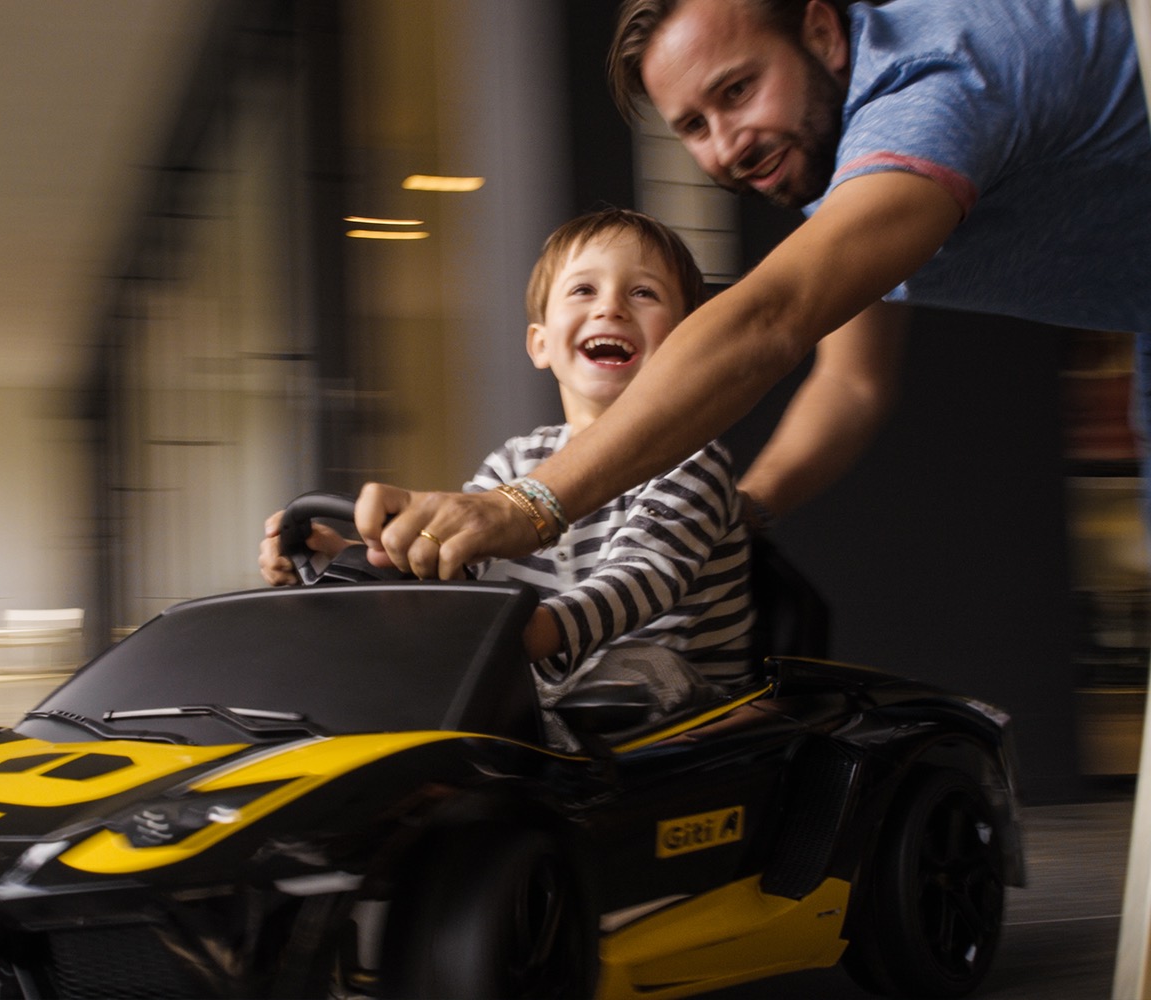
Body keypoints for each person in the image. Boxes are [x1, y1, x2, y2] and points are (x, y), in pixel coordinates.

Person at [352, 0, 1151, 585]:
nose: (728, 147)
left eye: (737, 91)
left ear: (821, 33)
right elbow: (851, 379)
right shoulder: (836, 159)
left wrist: (526, 508)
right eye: (694, 126)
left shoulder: (930, 87)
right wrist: (741, 513)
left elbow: (774, 317)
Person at [261, 208, 754, 744]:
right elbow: (456, 564)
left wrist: (531, 633)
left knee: (641, 668)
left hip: (688, 716)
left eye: (643, 293)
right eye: (583, 290)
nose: (610, 307)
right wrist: (350, 561)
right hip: (553, 691)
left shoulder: (691, 456)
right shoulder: (517, 462)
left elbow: (642, 576)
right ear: (540, 343)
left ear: (684, 346)